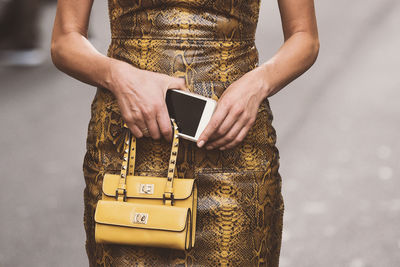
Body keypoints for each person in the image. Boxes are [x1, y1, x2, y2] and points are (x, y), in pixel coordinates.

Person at [51, 0, 319, 266]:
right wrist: (118, 76)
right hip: (127, 148)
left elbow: (304, 37)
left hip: (235, 155)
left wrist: (259, 83)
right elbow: (65, 41)